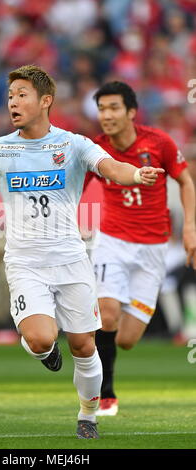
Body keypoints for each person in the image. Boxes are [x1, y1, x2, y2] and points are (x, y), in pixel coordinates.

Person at [0, 65, 163, 439]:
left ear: (45, 101)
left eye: (21, 94)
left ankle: (88, 413)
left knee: (83, 343)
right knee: (42, 339)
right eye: (10, 96)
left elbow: (108, 166)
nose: (12, 101)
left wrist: (136, 175)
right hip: (25, 262)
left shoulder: (72, 144)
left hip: (71, 260)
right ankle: (45, 353)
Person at [84, 81, 196, 416]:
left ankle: (94, 345)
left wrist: (190, 227)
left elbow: (186, 181)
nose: (107, 115)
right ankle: (105, 394)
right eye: (102, 108)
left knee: (127, 339)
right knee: (107, 314)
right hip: (112, 242)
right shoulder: (95, 149)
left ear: (132, 111)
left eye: (114, 107)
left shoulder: (158, 142)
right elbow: (74, 186)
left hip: (152, 249)